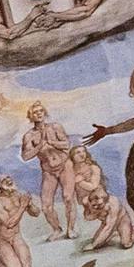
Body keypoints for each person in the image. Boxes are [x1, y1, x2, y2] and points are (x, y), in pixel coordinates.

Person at [20, 102, 78, 241]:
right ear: (30, 117)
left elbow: (67, 145)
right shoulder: (29, 136)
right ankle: (57, 229)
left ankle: (71, 229)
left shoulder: (55, 127)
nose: (39, 113)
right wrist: (39, 146)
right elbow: (25, 156)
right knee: (46, 205)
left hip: (64, 165)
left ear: (45, 113)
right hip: (48, 171)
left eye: (41, 111)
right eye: (35, 112)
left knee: (68, 197)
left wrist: (52, 142)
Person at [0, 174, 40, 267]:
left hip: (15, 236)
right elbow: (9, 224)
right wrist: (23, 206)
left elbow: (36, 213)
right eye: (4, 180)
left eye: (8, 178)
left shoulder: (18, 195)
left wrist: (30, 204)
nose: (8, 180)